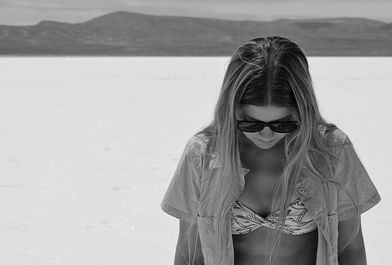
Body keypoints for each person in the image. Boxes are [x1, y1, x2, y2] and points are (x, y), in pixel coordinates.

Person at [160, 36, 381, 265]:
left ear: (304, 110)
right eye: (250, 123)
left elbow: (351, 249)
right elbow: (189, 253)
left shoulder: (331, 150)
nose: (266, 135)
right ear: (230, 109)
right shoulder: (203, 155)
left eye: (283, 124)